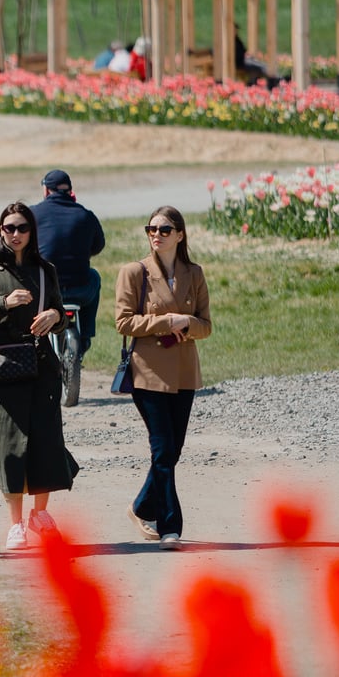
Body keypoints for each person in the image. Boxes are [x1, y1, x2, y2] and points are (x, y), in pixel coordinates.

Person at [0, 202, 79, 551]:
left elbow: (62, 313)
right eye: (8, 228)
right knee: (9, 443)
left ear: (32, 231)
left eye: (21, 227)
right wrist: (5, 302)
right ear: (0, 231)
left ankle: (40, 514)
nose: (15, 234)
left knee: (46, 439)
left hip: (41, 361)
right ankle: (15, 524)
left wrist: (54, 316)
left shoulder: (44, 269)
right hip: (2, 364)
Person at [116, 206, 212, 551]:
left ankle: (142, 506)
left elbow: (206, 325)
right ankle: (170, 525)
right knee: (163, 448)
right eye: (152, 228)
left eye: (165, 229)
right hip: (148, 372)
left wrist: (186, 322)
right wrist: (164, 321)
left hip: (185, 373)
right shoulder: (134, 272)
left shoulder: (195, 273)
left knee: (173, 449)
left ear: (180, 235)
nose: (157, 234)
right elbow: (123, 322)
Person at [31, 169, 105, 358]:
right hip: (80, 291)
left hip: (45, 292)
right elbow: (99, 246)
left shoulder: (33, 214)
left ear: (47, 191)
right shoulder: (85, 215)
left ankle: (29, 338)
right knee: (94, 276)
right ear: (69, 190)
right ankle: (86, 334)